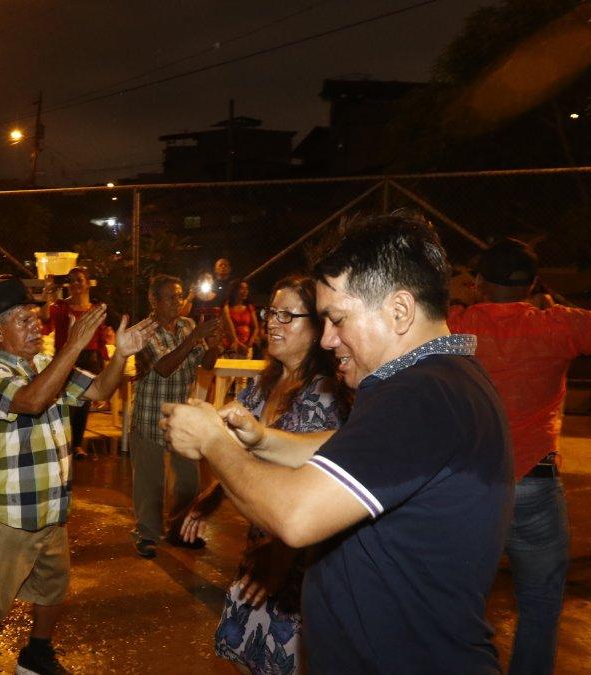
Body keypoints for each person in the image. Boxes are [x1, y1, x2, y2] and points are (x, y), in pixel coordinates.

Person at [160, 213, 513, 673]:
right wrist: (262, 439)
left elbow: (296, 516)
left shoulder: (422, 396)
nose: (327, 339)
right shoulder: (435, 382)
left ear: (400, 311)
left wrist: (212, 441)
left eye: (337, 319)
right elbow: (351, 449)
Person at [0, 278, 156, 675]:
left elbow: (100, 390)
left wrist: (120, 355)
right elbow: (31, 400)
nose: (35, 325)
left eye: (35, 317)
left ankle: (36, 654)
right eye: (22, 319)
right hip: (10, 510)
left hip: (52, 503)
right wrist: (73, 346)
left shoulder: (44, 366)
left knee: (52, 586)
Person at [179, 275, 347, 674]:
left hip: (299, 561)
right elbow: (237, 449)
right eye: (272, 312)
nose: (273, 322)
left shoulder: (325, 395)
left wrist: (283, 556)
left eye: (288, 315)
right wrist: (210, 497)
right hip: (261, 547)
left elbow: (315, 490)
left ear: (318, 326)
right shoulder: (265, 382)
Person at [448, 238, 591, 675]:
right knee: (541, 603)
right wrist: (548, 309)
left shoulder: (457, 326)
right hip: (535, 484)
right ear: (532, 282)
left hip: (468, 484)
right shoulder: (558, 326)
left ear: (480, 283)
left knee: (456, 603)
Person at [130, 274, 220, 559]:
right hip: (149, 416)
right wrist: (194, 338)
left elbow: (205, 363)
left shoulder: (187, 325)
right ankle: (147, 535)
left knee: (188, 481)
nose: (177, 302)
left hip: (181, 418)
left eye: (179, 296)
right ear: (153, 301)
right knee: (150, 483)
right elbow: (163, 367)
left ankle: (179, 529)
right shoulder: (143, 332)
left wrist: (214, 344)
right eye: (170, 297)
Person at [41, 267, 114, 460]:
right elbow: (46, 323)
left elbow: (100, 340)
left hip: (89, 359)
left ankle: (77, 445)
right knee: (66, 403)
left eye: (79, 280)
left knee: (82, 404)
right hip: (67, 357)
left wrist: (104, 369)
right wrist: (46, 297)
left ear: (87, 283)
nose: (75, 284)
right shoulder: (60, 307)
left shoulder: (96, 310)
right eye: (71, 280)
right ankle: (63, 444)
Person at [222, 280, 259, 358]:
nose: (245, 291)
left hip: (247, 347)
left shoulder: (249, 307)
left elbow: (256, 328)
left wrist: (250, 343)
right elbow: (227, 328)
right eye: (242, 288)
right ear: (235, 291)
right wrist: (238, 344)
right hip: (231, 346)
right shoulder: (227, 308)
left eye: (246, 289)